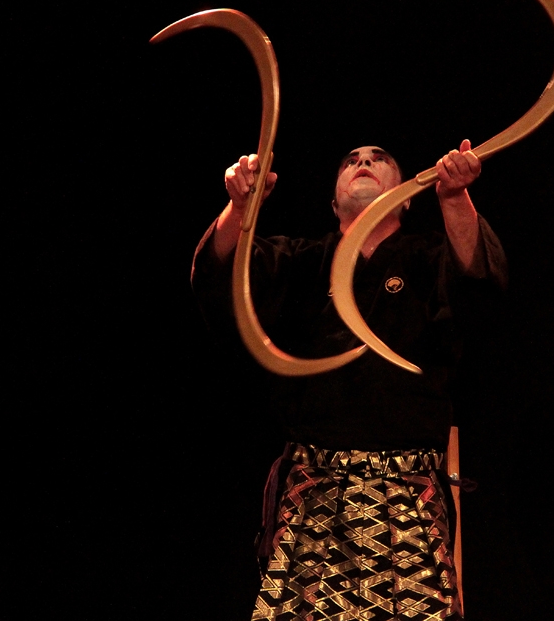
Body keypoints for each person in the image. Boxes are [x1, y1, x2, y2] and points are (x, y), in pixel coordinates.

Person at [192, 140, 507, 620]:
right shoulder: (301, 261)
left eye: (379, 159)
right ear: (334, 202)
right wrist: (241, 205)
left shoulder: (428, 259)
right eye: (350, 161)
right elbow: (219, 279)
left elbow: (480, 289)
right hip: (313, 488)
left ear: (405, 196)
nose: (363, 163)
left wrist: (453, 198)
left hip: (408, 491)